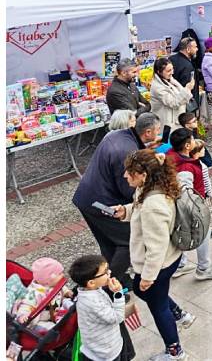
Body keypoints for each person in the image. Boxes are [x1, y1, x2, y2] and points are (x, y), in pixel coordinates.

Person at [114, 149, 193, 360]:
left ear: (143, 175)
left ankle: (175, 351)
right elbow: (141, 209)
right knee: (146, 294)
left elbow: (155, 247)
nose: (125, 175)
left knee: (157, 307)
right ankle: (180, 314)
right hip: (169, 259)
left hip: (160, 264)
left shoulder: (152, 204)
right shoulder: (152, 188)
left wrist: (148, 277)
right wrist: (126, 211)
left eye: (129, 172)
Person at [72, 112, 164, 292]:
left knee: (108, 242)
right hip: (103, 203)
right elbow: (128, 188)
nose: (159, 133)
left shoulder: (116, 135)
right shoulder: (127, 152)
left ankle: (115, 278)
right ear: (147, 132)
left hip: (86, 197)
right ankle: (109, 285)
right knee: (127, 240)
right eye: (157, 130)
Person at [167, 129, 212, 282]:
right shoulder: (187, 167)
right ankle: (204, 268)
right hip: (192, 206)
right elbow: (185, 192)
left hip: (178, 205)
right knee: (202, 232)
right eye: (192, 139)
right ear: (187, 146)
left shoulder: (171, 155)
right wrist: (196, 210)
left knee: (181, 232)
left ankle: (179, 264)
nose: (194, 141)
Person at [68, 254, 129, 361]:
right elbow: (117, 318)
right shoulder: (92, 302)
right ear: (91, 283)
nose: (109, 273)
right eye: (105, 272)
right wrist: (118, 294)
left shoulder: (89, 291)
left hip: (100, 346)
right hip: (106, 352)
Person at [150, 57, 193, 142]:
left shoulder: (170, 79)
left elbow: (181, 95)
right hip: (168, 123)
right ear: (159, 72)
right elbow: (173, 102)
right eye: (168, 71)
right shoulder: (157, 87)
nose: (172, 72)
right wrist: (187, 89)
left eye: (172, 69)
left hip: (176, 119)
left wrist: (186, 90)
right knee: (169, 146)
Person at [169, 37, 200, 115]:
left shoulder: (171, 58)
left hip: (173, 98)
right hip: (185, 103)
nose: (197, 49)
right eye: (195, 47)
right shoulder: (187, 66)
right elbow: (188, 87)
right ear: (188, 49)